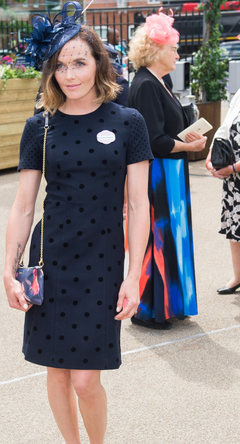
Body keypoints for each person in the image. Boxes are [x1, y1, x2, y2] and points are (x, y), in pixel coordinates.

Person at [3, 2, 154, 443]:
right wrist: (7, 273)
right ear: (51, 72)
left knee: (87, 380)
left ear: (97, 64)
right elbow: (23, 207)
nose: (70, 75)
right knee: (57, 375)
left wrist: (134, 275)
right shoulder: (40, 128)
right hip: (53, 261)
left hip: (104, 261)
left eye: (79, 63)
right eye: (61, 66)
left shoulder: (129, 123)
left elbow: (140, 205)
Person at [127, 9, 207, 330]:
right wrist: (189, 146)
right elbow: (156, 141)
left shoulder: (160, 80)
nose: (178, 53)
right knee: (159, 238)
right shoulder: (146, 84)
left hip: (171, 172)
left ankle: (172, 304)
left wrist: (187, 132)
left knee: (174, 237)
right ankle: (151, 309)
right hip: (158, 174)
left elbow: (167, 129)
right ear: (156, 51)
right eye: (173, 48)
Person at [205, 77, 240, 295]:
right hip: (235, 177)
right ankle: (238, 276)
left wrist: (234, 168)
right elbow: (224, 128)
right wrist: (210, 155)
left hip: (236, 171)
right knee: (235, 228)